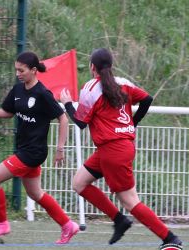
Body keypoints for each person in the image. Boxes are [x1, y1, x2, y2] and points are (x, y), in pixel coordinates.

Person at [60, 48, 182, 247]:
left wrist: (67, 104)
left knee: (130, 201)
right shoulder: (123, 83)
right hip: (116, 147)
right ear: (111, 65)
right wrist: (132, 123)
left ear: (92, 67)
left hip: (113, 151)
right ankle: (119, 220)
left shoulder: (91, 88)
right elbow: (147, 99)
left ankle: (170, 239)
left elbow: (81, 123)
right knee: (79, 183)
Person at [0, 51, 79, 244]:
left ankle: (2, 224)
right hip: (24, 149)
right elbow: (8, 112)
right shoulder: (18, 90)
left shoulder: (43, 94)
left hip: (33, 153)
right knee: (35, 193)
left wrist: (60, 148)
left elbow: (62, 118)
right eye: (16, 70)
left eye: (21, 70)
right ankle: (68, 225)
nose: (18, 74)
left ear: (33, 70)